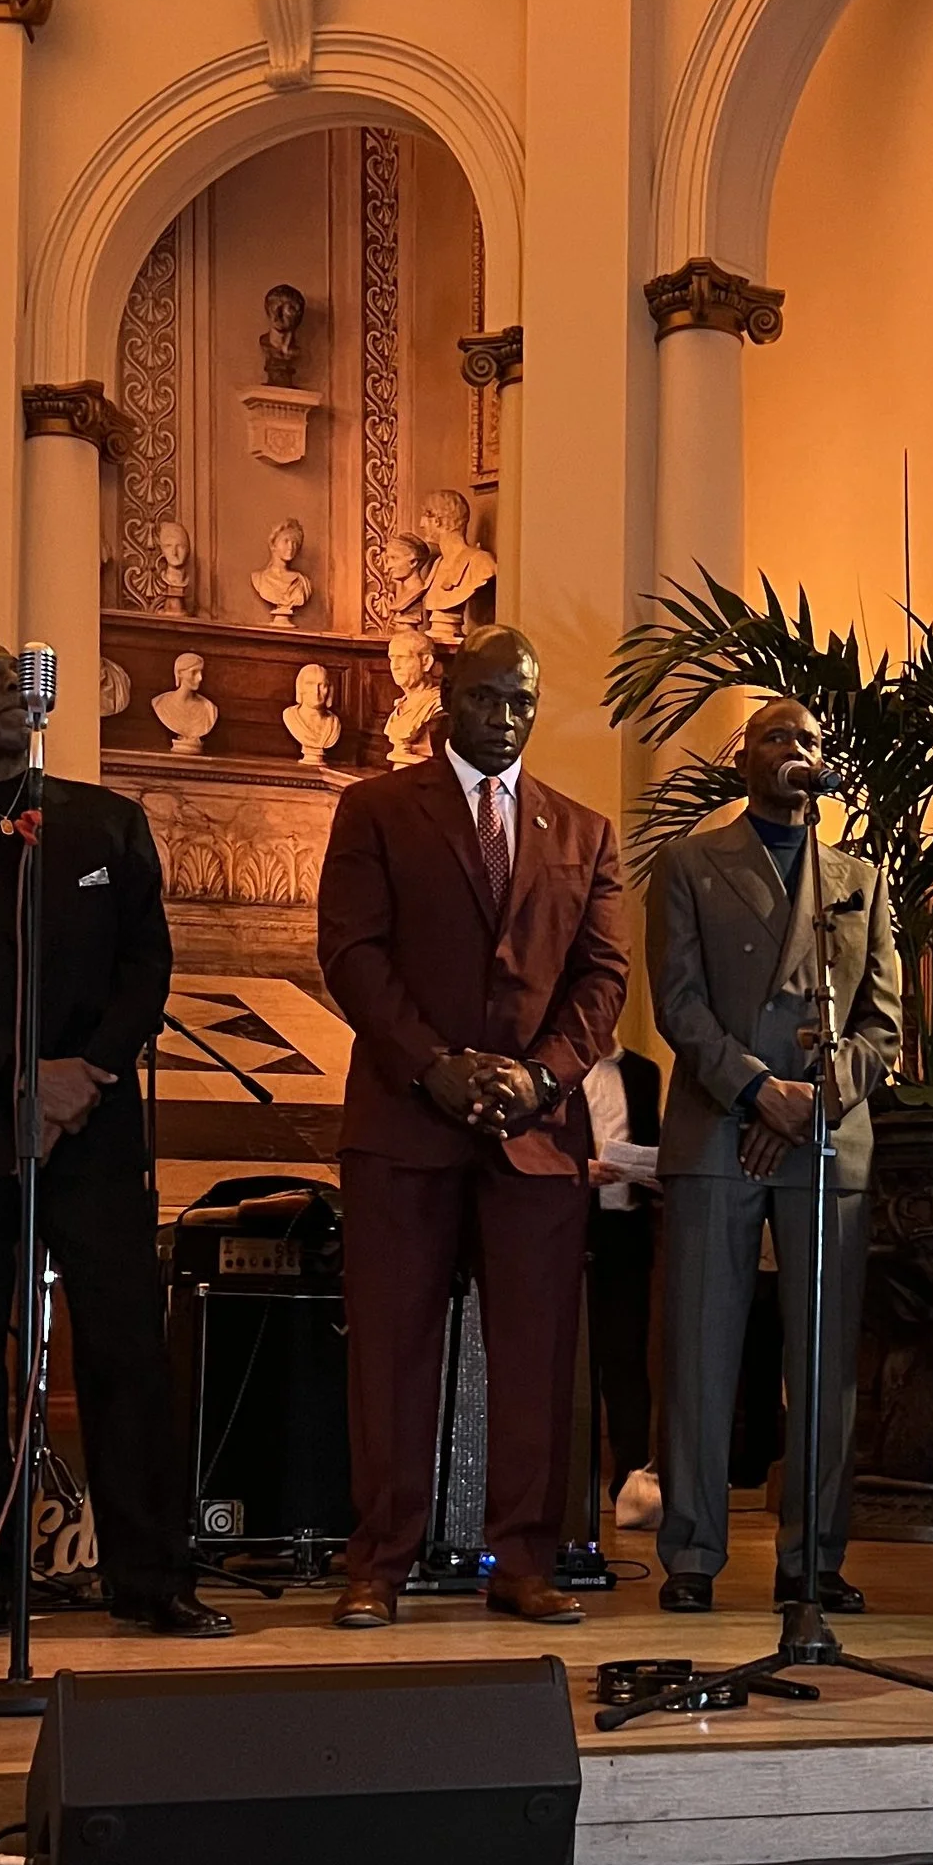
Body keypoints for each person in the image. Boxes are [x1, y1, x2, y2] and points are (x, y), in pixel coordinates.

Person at [0, 637, 230, 1642]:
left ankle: (151, 1577)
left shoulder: (105, 822)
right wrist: (20, 1071)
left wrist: (78, 1079)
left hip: (94, 1132)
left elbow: (144, 968)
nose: (10, 689)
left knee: (124, 1355)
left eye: (12, 675)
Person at [316, 622, 629, 1628]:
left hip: (535, 1135)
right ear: (452, 697)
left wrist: (539, 1077)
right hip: (404, 1124)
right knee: (391, 1354)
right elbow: (352, 954)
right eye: (490, 697)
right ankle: (380, 1563)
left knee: (535, 1358)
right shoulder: (374, 810)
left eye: (523, 701)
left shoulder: (583, 830)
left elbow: (602, 978)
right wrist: (435, 1068)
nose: (505, 718)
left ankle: (525, 1562)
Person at [648, 697, 902, 1612]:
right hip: (720, 1127)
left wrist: (816, 1101)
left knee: (826, 1358)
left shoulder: (859, 878)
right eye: (778, 737)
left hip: (830, 1139)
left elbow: (884, 1024)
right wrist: (760, 1090)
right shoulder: (689, 864)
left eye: (811, 740)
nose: (797, 749)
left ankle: (814, 1557)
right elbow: (677, 1004)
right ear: (744, 757)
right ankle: (690, 1554)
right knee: (702, 1349)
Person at [581, 1039, 662, 1525]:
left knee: (626, 1360)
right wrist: (578, 1170)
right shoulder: (561, 1065)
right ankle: (575, 1485)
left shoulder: (643, 1071)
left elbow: (652, 1137)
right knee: (573, 1363)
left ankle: (631, 1483)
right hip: (573, 1227)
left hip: (628, 1230)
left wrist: (654, 1172)